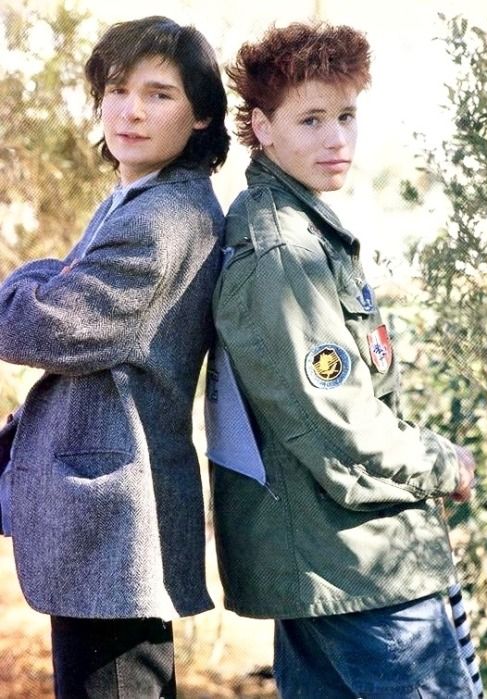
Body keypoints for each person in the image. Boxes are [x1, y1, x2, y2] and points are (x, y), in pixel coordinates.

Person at [207, 22, 477, 698]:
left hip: (335, 565)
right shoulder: (283, 251)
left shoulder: (300, 228)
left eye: (347, 115)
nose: (337, 139)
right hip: (360, 569)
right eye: (312, 118)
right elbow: (336, 417)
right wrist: (441, 462)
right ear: (261, 128)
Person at [0, 15, 229, 698]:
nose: (130, 109)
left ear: (200, 117)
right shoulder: (137, 198)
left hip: (117, 523)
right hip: (96, 505)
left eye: (159, 94)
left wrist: (29, 277)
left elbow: (38, 327)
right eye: (119, 88)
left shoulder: (164, 221)